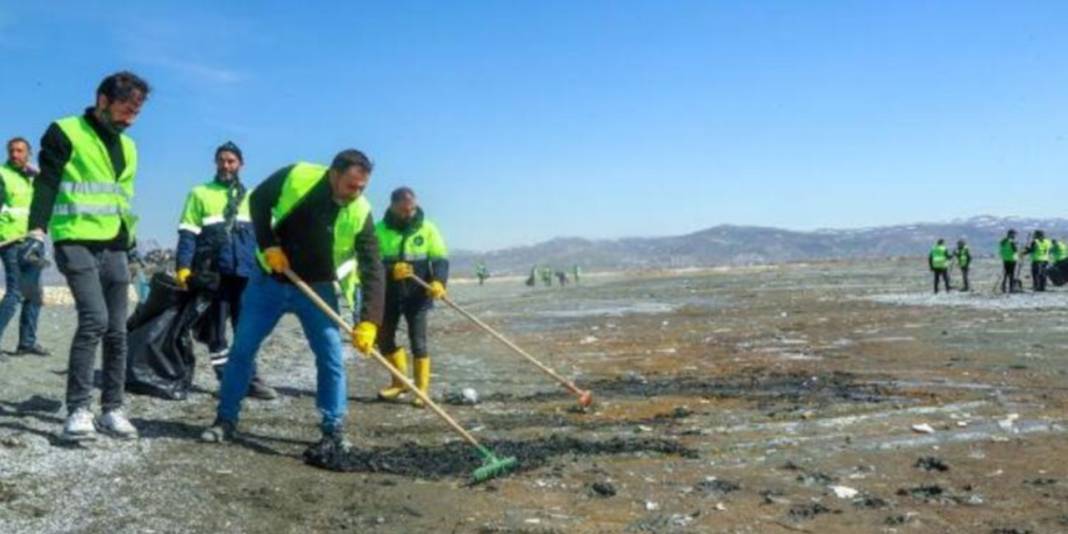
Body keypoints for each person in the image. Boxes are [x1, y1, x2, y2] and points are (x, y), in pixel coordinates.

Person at [200, 150, 384, 455]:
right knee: (243, 350)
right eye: (352, 186)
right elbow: (258, 200)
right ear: (334, 174)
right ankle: (225, 419)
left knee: (331, 357)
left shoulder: (360, 210)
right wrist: (269, 245)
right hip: (269, 281)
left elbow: (372, 265)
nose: (357, 194)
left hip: (317, 288)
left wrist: (369, 321)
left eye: (363, 187)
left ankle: (333, 428)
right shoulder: (297, 176)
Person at [29, 71, 149, 441]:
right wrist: (37, 229)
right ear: (102, 100)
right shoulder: (64, 132)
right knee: (94, 320)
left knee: (118, 330)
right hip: (74, 239)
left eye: (137, 111)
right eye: (126, 108)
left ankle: (112, 409)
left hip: (113, 243)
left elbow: (120, 200)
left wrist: (130, 245)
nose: (131, 117)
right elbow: (47, 181)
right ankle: (79, 409)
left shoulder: (129, 147)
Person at [174, 141, 276, 399]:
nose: (225, 165)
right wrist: (183, 268)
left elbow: (266, 238)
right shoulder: (199, 193)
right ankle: (227, 380)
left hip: (246, 275)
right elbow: (188, 234)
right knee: (216, 333)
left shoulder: (253, 198)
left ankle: (250, 378)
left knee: (247, 330)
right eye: (221, 160)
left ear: (241, 164)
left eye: (231, 161)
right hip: (213, 275)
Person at [374, 187, 449, 408]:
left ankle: (421, 390)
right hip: (389, 294)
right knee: (384, 339)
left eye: (412, 209)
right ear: (392, 206)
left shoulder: (427, 229)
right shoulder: (379, 230)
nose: (409, 214)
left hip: (418, 295)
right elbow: (370, 264)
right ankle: (399, 382)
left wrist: (438, 282)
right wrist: (390, 269)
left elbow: (440, 259)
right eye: (404, 210)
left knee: (418, 341)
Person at [0, 138, 49, 358]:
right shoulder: (2, 175)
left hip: (34, 240)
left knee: (33, 294)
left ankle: (27, 342)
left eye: (20, 151)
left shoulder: (33, 177)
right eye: (11, 151)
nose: (15, 154)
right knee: (15, 293)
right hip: (11, 241)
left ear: (28, 153)